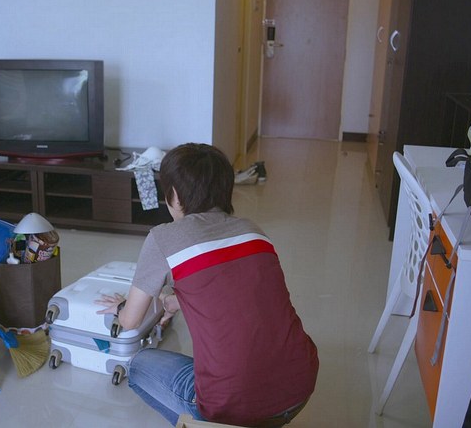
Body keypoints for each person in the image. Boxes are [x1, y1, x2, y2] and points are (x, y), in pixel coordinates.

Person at [96, 143, 318, 427]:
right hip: (301, 386)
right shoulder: (253, 231)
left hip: (232, 406)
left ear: (175, 196)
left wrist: (121, 308)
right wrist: (173, 302)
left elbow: (130, 321)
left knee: (139, 367)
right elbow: (233, 290)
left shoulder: (163, 238)